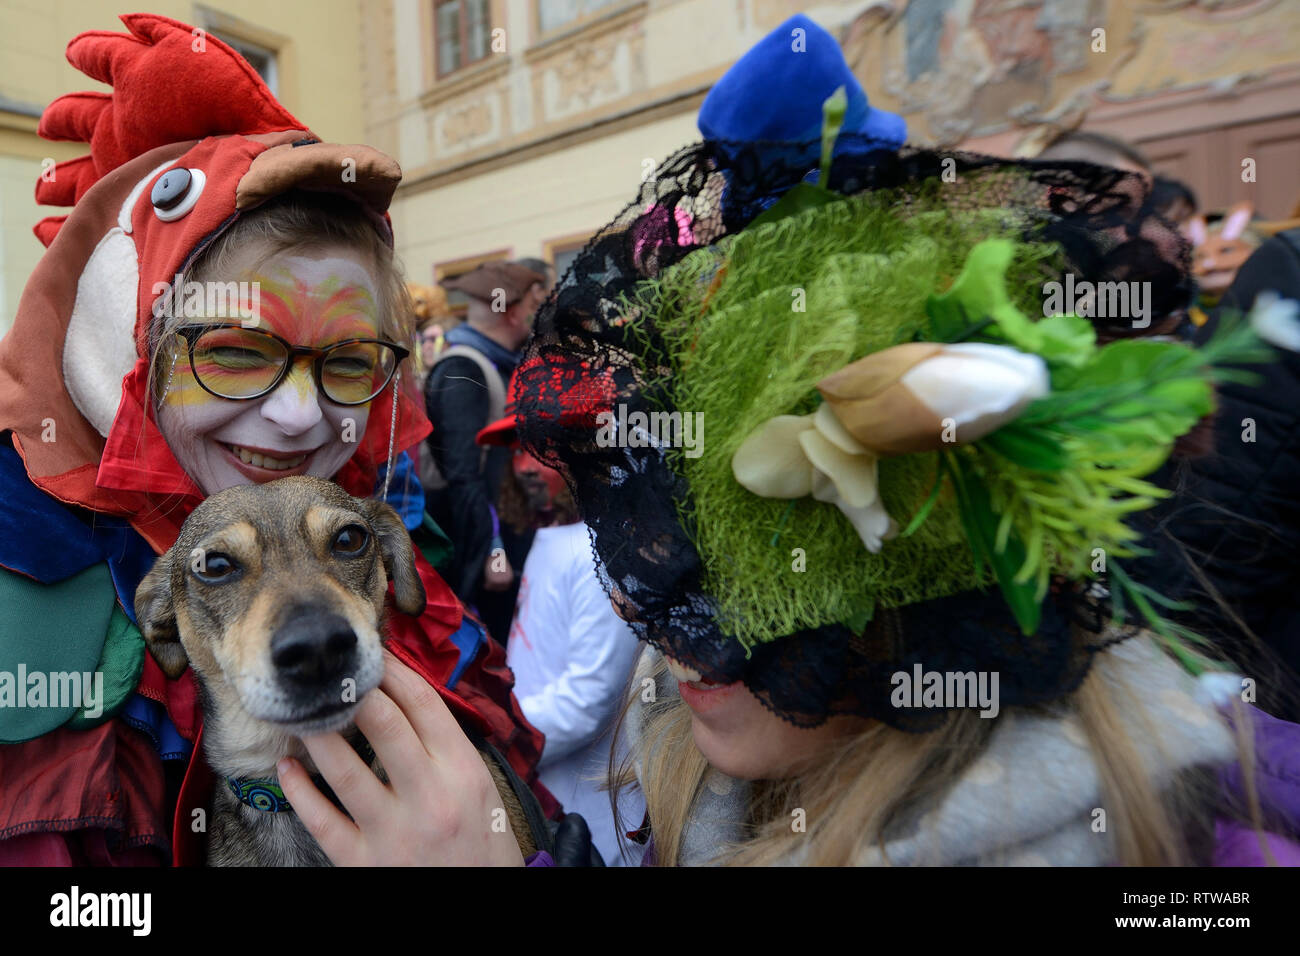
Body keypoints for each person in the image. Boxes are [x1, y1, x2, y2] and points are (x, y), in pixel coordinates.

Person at [282, 13, 1300, 868]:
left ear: (919, 552)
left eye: (754, 529)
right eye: (652, 511)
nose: (661, 604)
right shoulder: (716, 767)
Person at [0, 13, 558, 866]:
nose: (299, 416)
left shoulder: (388, 551)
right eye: (231, 350)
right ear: (124, 351)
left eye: (344, 361)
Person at [478, 376, 645, 865]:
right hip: (547, 786)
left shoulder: (603, 551)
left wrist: (503, 737)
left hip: (593, 812)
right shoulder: (554, 533)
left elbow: (588, 698)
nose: (526, 466)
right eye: (518, 451)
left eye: (543, 449)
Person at [423, 260, 546, 644]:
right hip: (490, 551)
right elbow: (463, 475)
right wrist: (493, 553)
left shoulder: (497, 360)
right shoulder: (464, 369)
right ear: (510, 311)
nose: (536, 313)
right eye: (532, 303)